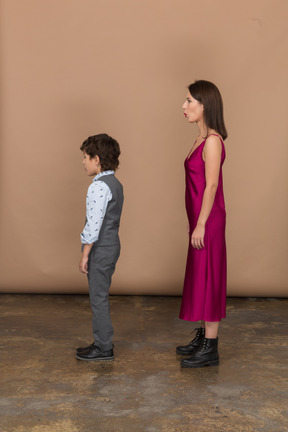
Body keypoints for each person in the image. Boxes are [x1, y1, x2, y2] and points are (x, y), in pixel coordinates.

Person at [176, 80, 228, 368]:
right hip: (200, 220)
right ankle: (204, 336)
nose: (184, 107)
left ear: (204, 105)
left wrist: (202, 224)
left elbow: (210, 187)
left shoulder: (212, 141)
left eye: (189, 101)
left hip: (209, 220)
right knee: (200, 275)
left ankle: (211, 346)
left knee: (209, 276)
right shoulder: (200, 139)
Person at [76, 133, 124, 361]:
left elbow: (94, 224)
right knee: (100, 295)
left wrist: (85, 253)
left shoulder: (98, 187)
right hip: (112, 244)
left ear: (97, 159)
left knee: (98, 297)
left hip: (101, 248)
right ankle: (100, 342)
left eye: (85, 157)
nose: (83, 162)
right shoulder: (115, 183)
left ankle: (104, 347)